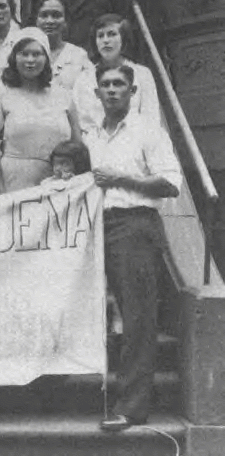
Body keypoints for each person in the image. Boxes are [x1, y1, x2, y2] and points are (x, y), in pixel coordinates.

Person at [84, 65, 181, 432]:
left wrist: (122, 179)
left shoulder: (146, 130)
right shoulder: (91, 135)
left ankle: (133, 407)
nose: (112, 91)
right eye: (105, 85)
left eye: (118, 84)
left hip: (134, 224)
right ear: (96, 93)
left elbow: (171, 184)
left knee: (138, 316)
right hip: (93, 228)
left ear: (132, 90)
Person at [0, 28, 82, 194]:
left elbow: (77, 146)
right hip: (13, 183)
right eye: (24, 54)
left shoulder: (64, 96)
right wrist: (1, 194)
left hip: (58, 183)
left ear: (47, 58)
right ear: (14, 58)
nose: (30, 60)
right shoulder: (0, 97)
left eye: (36, 54)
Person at [73, 13, 160, 134]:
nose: (106, 41)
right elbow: (80, 120)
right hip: (96, 143)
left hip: (134, 141)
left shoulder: (142, 74)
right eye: (100, 36)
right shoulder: (84, 78)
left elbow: (151, 118)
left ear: (123, 38)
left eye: (112, 34)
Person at [34, 0, 95, 91]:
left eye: (56, 15)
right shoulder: (25, 53)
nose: (49, 21)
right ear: (36, 20)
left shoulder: (78, 55)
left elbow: (89, 91)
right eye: (44, 15)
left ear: (66, 21)